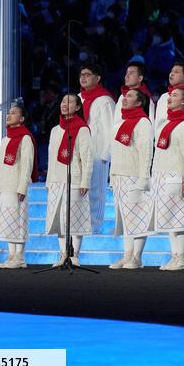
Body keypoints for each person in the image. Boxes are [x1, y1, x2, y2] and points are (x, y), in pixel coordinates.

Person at [150, 87, 184, 271]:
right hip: (162, 176)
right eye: (170, 95)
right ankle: (174, 257)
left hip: (177, 176)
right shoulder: (164, 122)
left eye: (175, 95)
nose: (170, 98)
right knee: (170, 219)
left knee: (181, 218)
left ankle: (182, 258)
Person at [45, 95, 93, 267]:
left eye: (70, 102)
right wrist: (49, 181)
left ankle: (75, 255)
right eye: (63, 102)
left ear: (78, 107)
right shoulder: (55, 130)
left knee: (75, 218)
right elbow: (51, 158)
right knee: (60, 219)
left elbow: (87, 157)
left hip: (75, 179)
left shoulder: (82, 129)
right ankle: (63, 254)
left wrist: (85, 181)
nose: (65, 105)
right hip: (57, 179)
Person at [108, 88, 154, 270]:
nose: (125, 99)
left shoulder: (143, 123)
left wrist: (144, 177)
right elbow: (116, 152)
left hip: (134, 176)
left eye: (129, 96)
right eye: (124, 96)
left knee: (138, 217)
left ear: (139, 102)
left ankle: (136, 257)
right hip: (119, 176)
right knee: (126, 219)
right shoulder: (120, 123)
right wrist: (112, 176)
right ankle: (127, 255)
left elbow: (145, 152)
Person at [0, 104, 36, 269]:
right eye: (8, 112)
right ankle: (11, 256)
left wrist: (22, 186)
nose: (9, 115)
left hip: (16, 186)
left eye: (13, 113)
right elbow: (1, 166)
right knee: (8, 223)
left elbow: (27, 164)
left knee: (18, 221)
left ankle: (20, 257)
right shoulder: (5, 139)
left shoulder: (26, 138)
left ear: (22, 119)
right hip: (3, 186)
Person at [78, 63, 116, 230]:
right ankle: (79, 225)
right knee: (79, 192)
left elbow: (110, 129)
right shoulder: (77, 99)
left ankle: (95, 226)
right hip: (78, 154)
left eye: (87, 74)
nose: (83, 77)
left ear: (98, 78)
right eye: (81, 75)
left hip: (97, 154)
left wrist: (106, 155)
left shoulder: (105, 100)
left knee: (95, 191)